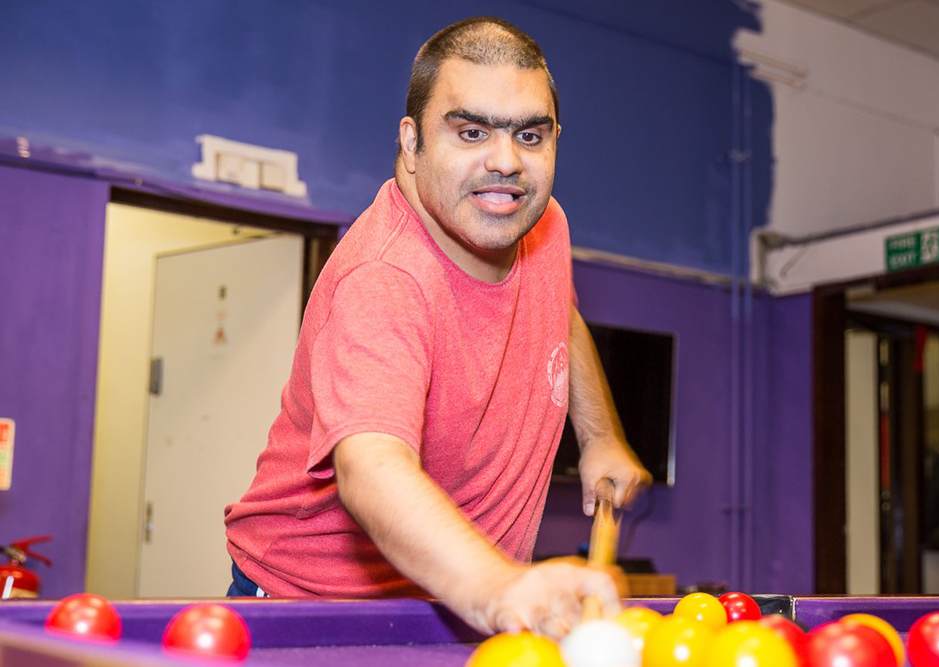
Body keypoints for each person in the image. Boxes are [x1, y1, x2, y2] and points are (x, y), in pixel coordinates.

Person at [224, 16, 650, 639]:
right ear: (412, 141)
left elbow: (559, 309)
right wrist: (502, 586)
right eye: (471, 131)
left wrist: (598, 434)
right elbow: (369, 466)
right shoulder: (385, 276)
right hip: (315, 609)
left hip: (463, 595)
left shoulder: (543, 224)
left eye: (530, 135)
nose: (506, 163)